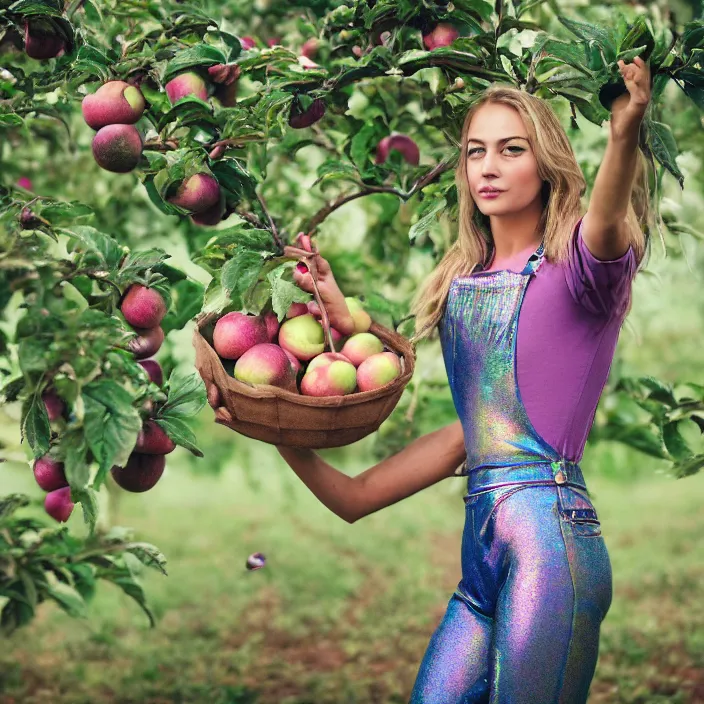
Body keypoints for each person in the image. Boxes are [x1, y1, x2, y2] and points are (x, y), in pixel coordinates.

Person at [209, 56, 653, 703]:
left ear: (547, 162)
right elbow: (354, 499)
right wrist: (274, 419)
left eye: (510, 149)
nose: (489, 167)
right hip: (481, 563)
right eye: (475, 151)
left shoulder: (578, 272)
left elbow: (607, 224)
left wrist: (624, 135)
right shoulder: (463, 294)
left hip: (551, 550)